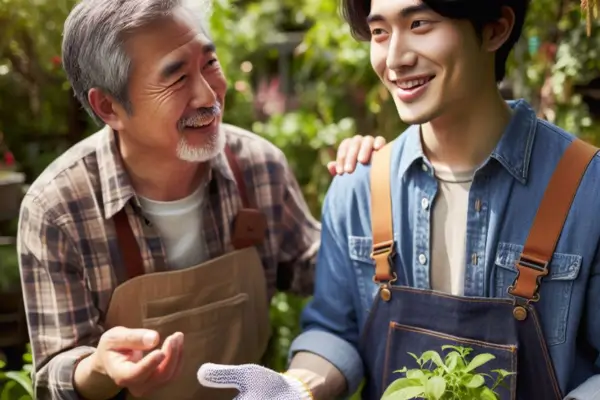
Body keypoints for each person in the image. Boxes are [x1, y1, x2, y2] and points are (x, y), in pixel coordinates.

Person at [198, 0, 600, 399]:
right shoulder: (359, 188)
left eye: (420, 24)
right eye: (379, 32)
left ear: (495, 29)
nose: (395, 59)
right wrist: (296, 389)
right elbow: (337, 330)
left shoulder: (587, 187)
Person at [16, 0, 385, 399]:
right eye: (175, 78)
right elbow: (52, 376)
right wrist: (99, 367)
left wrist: (374, 186)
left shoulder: (258, 168)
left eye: (209, 63)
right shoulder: (58, 210)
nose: (209, 94)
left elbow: (330, 276)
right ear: (109, 107)